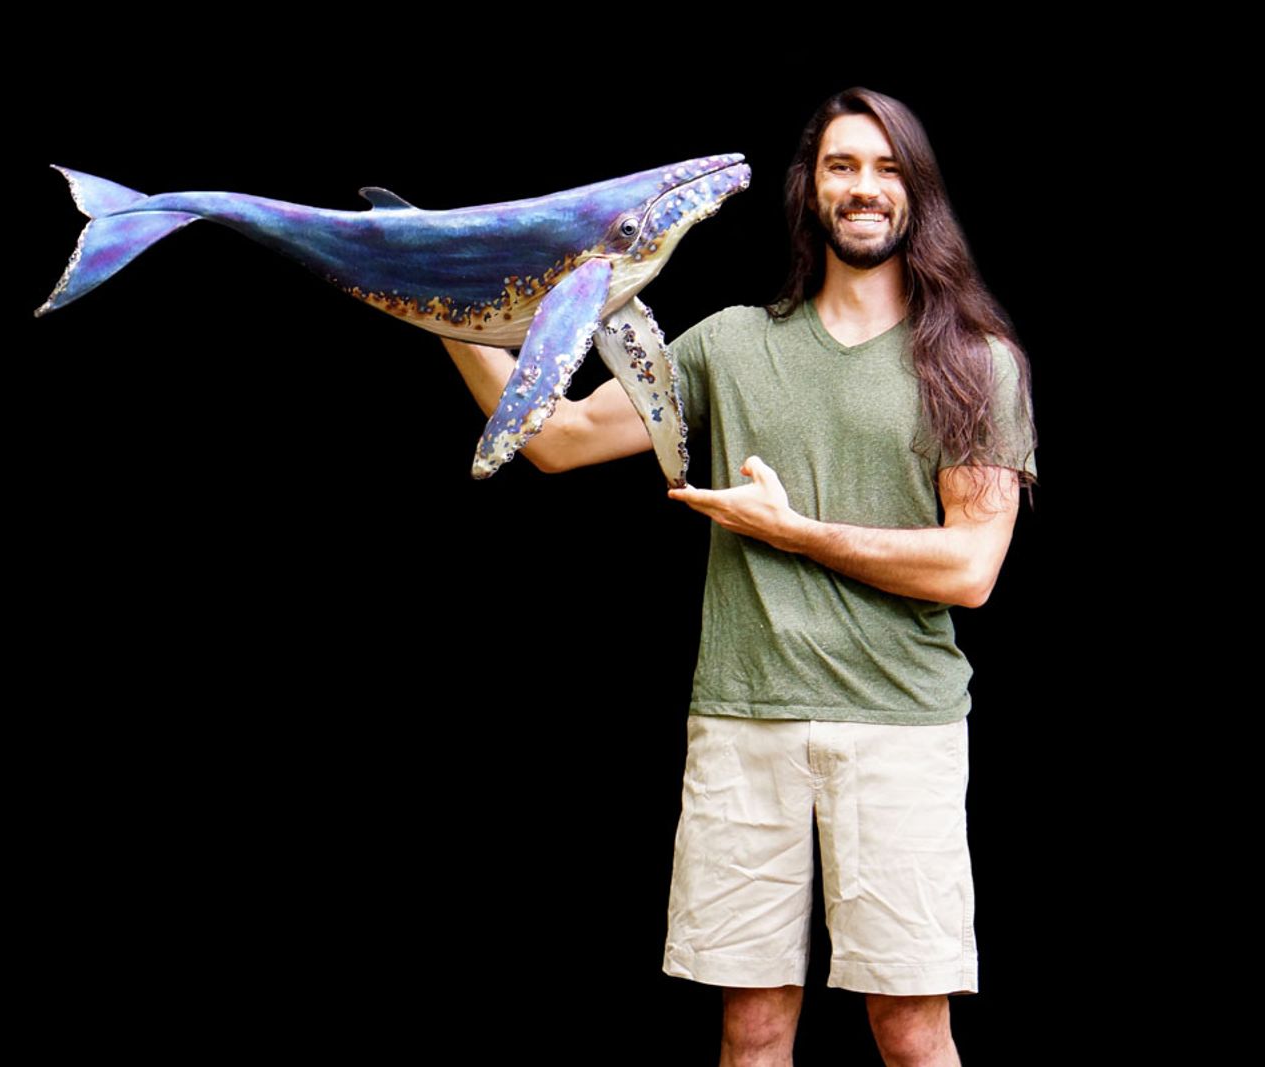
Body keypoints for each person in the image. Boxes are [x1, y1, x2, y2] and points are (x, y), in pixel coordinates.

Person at [440, 87, 1035, 1067]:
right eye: (842, 165)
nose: (864, 187)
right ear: (809, 191)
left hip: (900, 730)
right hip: (742, 721)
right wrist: (443, 307)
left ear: (916, 194)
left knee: (912, 1028)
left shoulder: (971, 362)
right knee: (752, 1028)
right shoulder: (729, 343)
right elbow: (555, 437)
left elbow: (970, 567)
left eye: (887, 168)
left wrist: (796, 532)